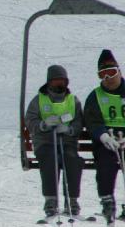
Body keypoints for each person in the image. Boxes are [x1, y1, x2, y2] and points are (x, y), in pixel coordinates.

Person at [25, 65, 84, 218]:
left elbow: (79, 121)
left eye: (62, 81)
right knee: (50, 158)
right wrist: (43, 125)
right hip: (46, 142)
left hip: (66, 142)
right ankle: (51, 200)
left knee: (72, 160)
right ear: (49, 82)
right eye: (55, 81)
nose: (59, 84)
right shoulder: (39, 100)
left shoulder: (73, 100)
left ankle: (72, 200)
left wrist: (70, 130)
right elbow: (30, 120)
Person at [83, 49, 125, 223]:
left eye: (111, 72)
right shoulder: (96, 96)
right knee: (106, 162)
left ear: (119, 72)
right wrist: (103, 137)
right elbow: (92, 121)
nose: (108, 78)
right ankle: (107, 201)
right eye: (103, 75)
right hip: (107, 140)